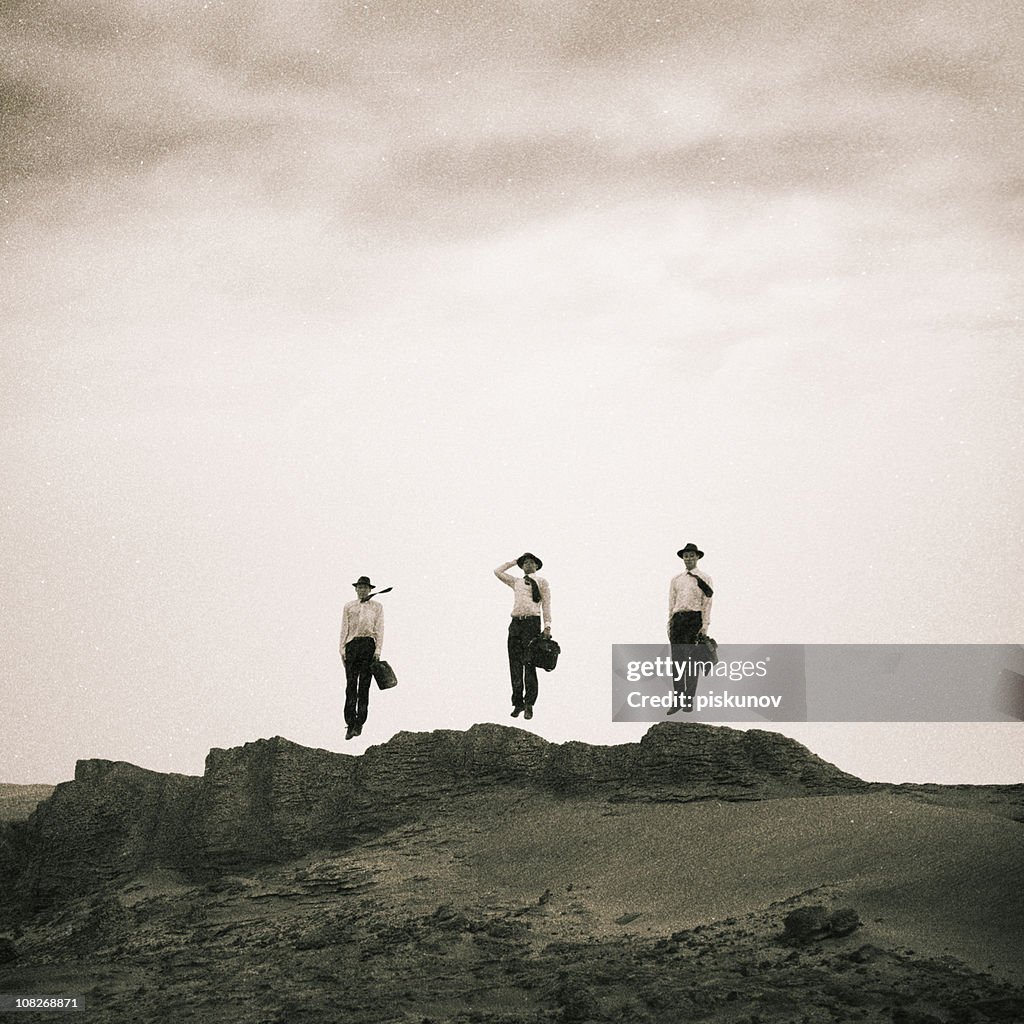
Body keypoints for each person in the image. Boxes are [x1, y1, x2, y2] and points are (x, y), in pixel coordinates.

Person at [494, 553, 551, 721]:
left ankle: (529, 704)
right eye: (525, 562)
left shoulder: (542, 582)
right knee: (515, 663)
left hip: (532, 623)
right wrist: (513, 561)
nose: (528, 564)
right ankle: (517, 702)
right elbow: (497, 571)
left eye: (531, 562)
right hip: (516, 623)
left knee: (529, 663)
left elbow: (546, 603)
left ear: (536, 566)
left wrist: (547, 625)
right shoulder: (516, 582)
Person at [666, 543, 714, 714]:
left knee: (692, 663)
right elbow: (671, 604)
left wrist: (705, 626)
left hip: (694, 620)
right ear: (683, 558)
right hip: (678, 621)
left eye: (692, 555)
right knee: (677, 663)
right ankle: (677, 700)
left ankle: (688, 701)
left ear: (697, 557)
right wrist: (670, 624)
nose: (689, 558)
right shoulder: (676, 580)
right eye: (686, 556)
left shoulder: (704, 578)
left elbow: (707, 603)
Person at [339, 575, 385, 740]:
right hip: (352, 646)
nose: (362, 590)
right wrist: (342, 650)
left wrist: (378, 651)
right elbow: (345, 628)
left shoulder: (377, 607)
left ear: (370, 589)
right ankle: (350, 723)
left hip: (368, 646)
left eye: (365, 587)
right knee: (351, 685)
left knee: (364, 686)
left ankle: (360, 723)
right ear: (356, 589)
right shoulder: (349, 606)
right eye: (359, 587)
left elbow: (379, 629)